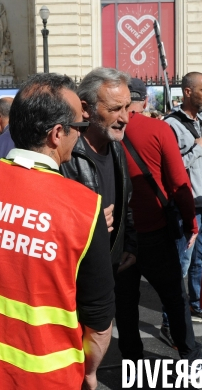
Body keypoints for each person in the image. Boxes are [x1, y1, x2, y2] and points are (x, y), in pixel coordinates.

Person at [0, 73, 115, 390]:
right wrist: (89, 372)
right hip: (50, 380)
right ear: (57, 134)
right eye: (80, 128)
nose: (82, 135)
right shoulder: (85, 210)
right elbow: (99, 325)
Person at [120, 82, 202, 371]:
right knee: (175, 296)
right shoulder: (158, 129)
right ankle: (190, 353)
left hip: (119, 234)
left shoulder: (102, 132)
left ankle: (132, 360)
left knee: (124, 303)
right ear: (145, 99)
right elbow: (179, 183)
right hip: (154, 230)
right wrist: (190, 223)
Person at [163, 72, 202, 325]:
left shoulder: (201, 119)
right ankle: (171, 320)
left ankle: (197, 305)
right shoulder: (170, 124)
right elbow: (171, 166)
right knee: (181, 264)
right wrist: (198, 148)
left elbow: (200, 155)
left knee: (201, 258)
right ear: (188, 92)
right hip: (185, 206)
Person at [61, 67, 137, 275]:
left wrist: (130, 245)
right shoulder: (64, 154)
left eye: (127, 107)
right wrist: (85, 225)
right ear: (86, 109)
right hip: (79, 273)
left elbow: (126, 203)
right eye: (114, 109)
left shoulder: (116, 148)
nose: (125, 118)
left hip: (116, 268)